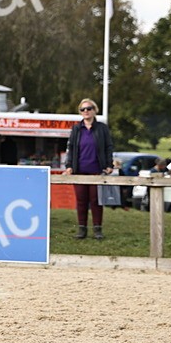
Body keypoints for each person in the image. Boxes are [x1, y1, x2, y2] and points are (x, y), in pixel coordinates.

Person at [62, 98, 115, 239]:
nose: (86, 111)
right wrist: (69, 166)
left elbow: (109, 147)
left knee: (96, 200)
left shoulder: (102, 128)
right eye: (83, 109)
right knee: (81, 200)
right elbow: (71, 148)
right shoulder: (76, 129)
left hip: (97, 170)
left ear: (94, 110)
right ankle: (82, 229)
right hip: (79, 170)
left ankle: (97, 229)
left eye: (89, 108)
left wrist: (109, 165)